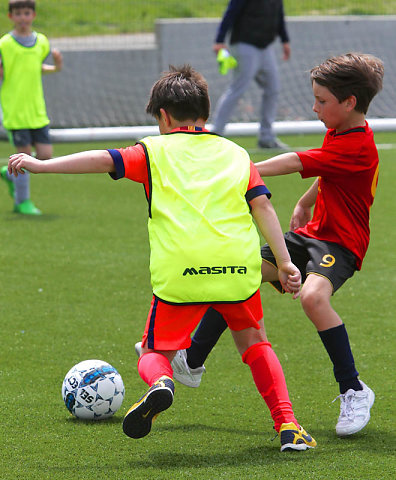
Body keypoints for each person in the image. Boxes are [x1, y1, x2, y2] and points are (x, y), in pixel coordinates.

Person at [8, 64, 316, 452]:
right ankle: (288, 424)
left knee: (154, 351)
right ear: (203, 114)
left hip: (181, 273)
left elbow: (102, 159)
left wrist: (41, 165)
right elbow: (264, 209)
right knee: (256, 343)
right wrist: (285, 263)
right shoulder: (237, 154)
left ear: (164, 117)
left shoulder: (152, 151)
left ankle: (161, 382)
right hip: (238, 268)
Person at [159, 53, 384, 438]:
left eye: (322, 101)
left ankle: (353, 389)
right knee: (237, 270)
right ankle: (191, 362)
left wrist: (239, 168)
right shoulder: (343, 131)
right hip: (313, 233)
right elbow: (333, 170)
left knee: (314, 298)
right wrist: (305, 201)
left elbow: (296, 161)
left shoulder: (357, 145)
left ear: (349, 103)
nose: (314, 108)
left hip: (341, 243)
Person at [0, 0, 63, 215]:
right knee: (23, 156)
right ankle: (22, 202)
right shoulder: (5, 44)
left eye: (26, 13)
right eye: (18, 14)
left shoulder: (41, 42)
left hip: (37, 110)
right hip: (16, 111)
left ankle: (9, 175)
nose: (23, 18)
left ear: (33, 15)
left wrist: (56, 67)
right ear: (11, 17)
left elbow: (34, 68)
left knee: (45, 156)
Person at [211, 0, 291, 149]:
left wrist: (285, 40)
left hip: (265, 47)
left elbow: (278, 16)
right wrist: (219, 40)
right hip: (245, 45)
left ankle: (266, 137)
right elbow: (231, 12)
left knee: (273, 89)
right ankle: (216, 134)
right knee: (238, 89)